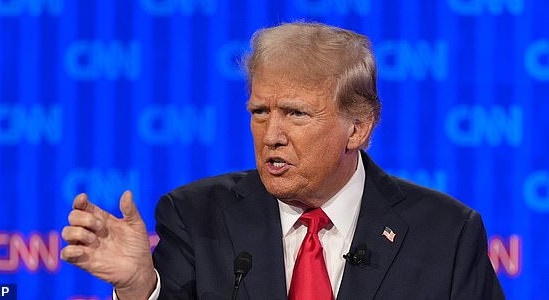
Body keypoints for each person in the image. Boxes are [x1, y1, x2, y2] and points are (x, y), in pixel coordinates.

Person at [61, 22, 505, 300]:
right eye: (259, 112)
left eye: (295, 113)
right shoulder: (196, 217)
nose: (271, 135)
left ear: (359, 128)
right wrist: (140, 289)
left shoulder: (446, 234)